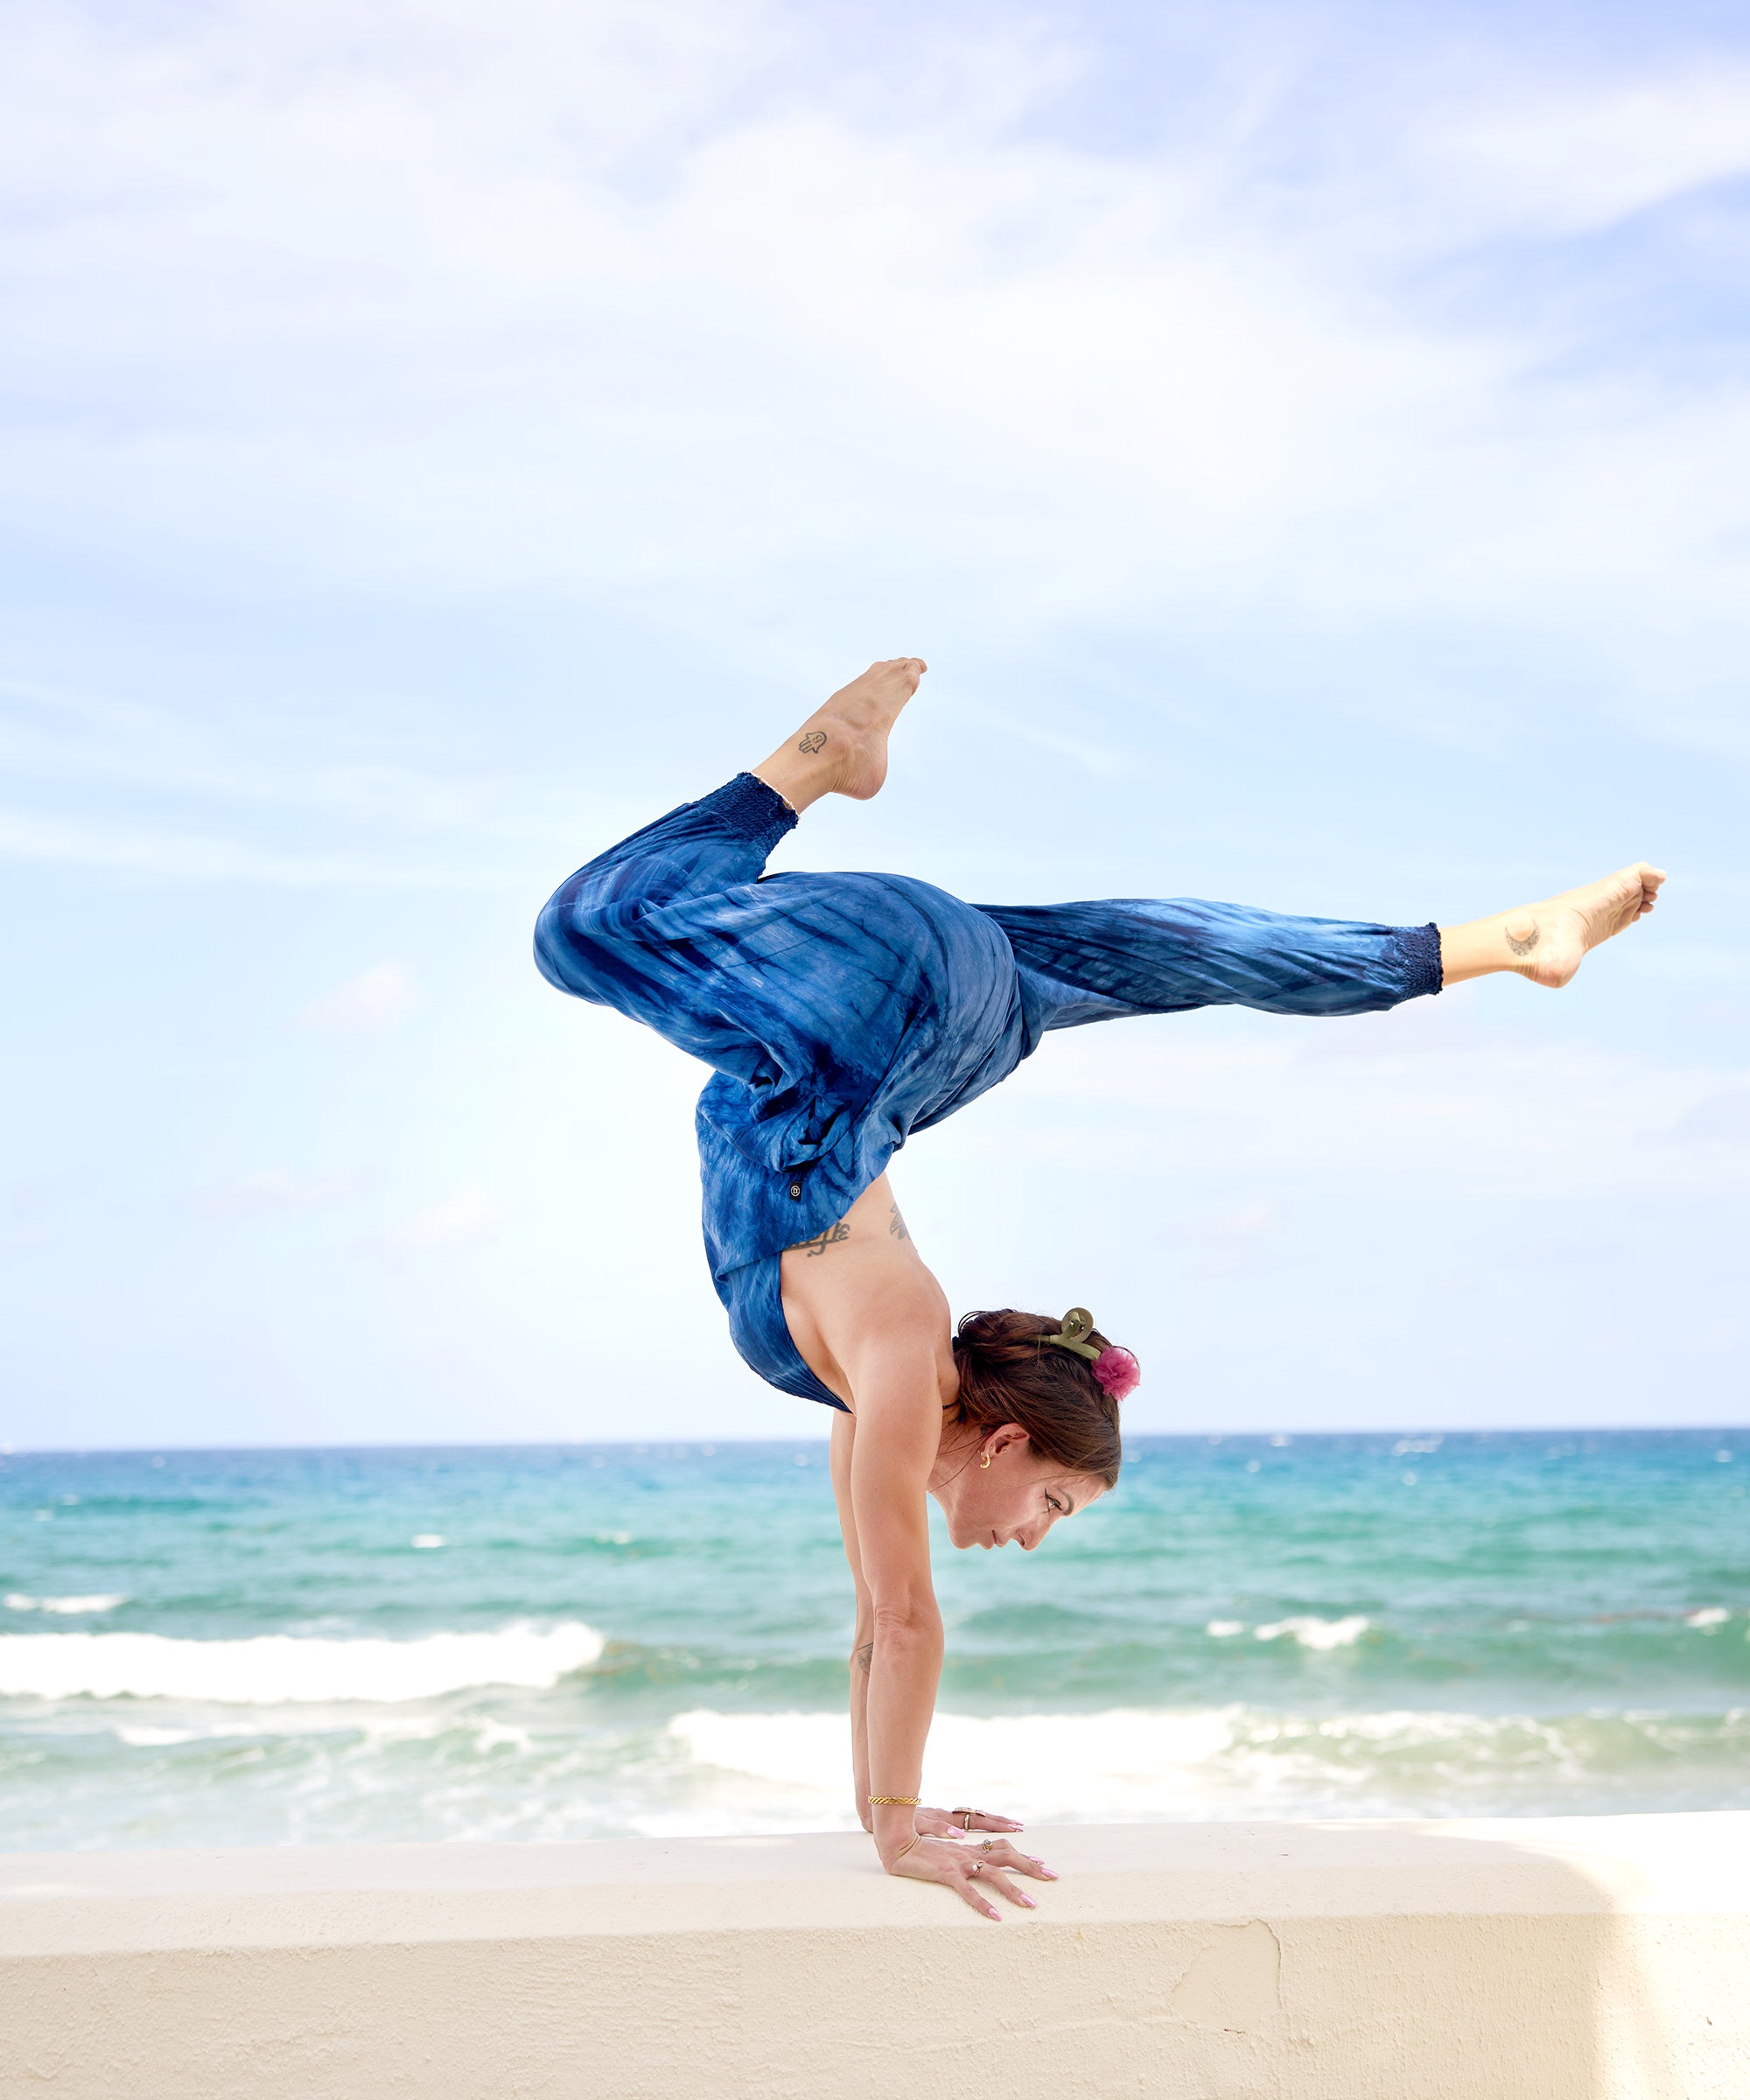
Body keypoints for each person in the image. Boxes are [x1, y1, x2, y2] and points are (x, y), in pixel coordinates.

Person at [535, 658, 1664, 1919]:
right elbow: (911, 1627)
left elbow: (871, 1624)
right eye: (1058, 1503)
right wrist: (905, 1840)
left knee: (1184, 954)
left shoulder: (871, 1388)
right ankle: (811, 766)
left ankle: (1494, 944)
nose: (1034, 1534)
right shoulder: (902, 1353)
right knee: (581, 931)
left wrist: (884, 1817)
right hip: (878, 1012)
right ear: (1005, 1437)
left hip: (930, 1014)